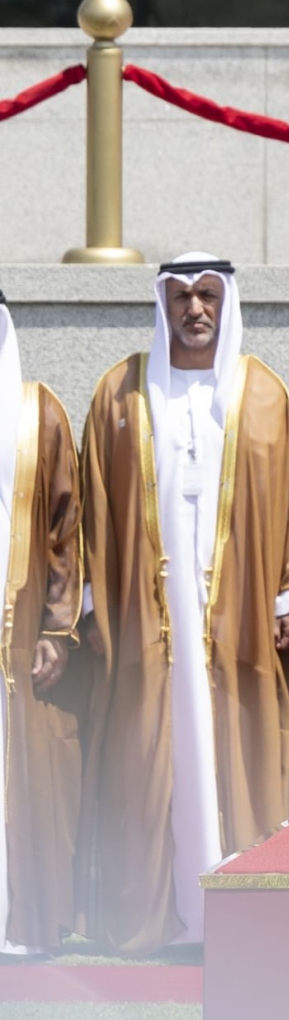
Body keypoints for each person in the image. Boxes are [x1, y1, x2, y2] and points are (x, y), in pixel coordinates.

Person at [73, 257, 289, 953]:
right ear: (163, 303)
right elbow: (92, 502)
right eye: (181, 296)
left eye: (207, 295)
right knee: (149, 749)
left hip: (237, 611)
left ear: (225, 300)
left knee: (235, 745)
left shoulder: (264, 392)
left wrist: (285, 594)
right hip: (147, 614)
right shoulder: (121, 390)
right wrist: (93, 602)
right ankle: (158, 913)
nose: (194, 308)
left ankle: (238, 915)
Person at [1, 290, 85, 958]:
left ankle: (19, 916)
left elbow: (65, 531)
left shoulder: (38, 412)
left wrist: (57, 628)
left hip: (19, 630)